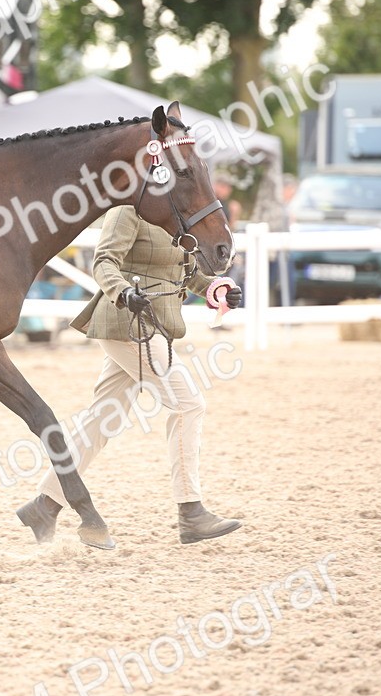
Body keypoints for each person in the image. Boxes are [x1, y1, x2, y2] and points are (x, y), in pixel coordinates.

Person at [16, 205, 244, 547]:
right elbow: (103, 261)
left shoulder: (173, 215)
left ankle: (45, 505)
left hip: (154, 323)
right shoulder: (127, 211)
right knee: (188, 404)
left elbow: (187, 274)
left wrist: (216, 289)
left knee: (103, 418)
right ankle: (191, 511)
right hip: (128, 322)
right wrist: (123, 291)